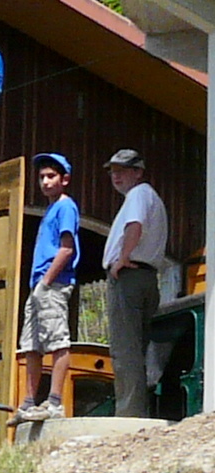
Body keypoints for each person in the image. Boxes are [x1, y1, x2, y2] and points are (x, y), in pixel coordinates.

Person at [8, 153, 80, 425]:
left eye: (51, 176)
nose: (45, 182)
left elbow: (66, 247)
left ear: (65, 179)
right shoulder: (50, 210)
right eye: (41, 177)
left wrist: (47, 281)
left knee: (57, 341)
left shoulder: (65, 207)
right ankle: (28, 402)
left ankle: (55, 402)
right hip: (38, 285)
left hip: (53, 284)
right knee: (31, 345)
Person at [102, 148, 168, 417]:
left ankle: (128, 415)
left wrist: (122, 258)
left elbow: (134, 226)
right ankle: (137, 411)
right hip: (146, 276)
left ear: (137, 172)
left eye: (122, 171)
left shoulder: (139, 194)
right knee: (138, 347)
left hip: (129, 276)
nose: (116, 176)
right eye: (113, 172)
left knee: (125, 349)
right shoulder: (152, 198)